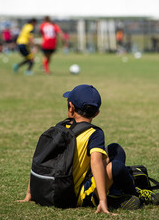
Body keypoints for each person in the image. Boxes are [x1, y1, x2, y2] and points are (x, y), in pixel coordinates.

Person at [18, 84, 157, 213]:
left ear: (70, 107)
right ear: (97, 113)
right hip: (76, 196)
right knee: (116, 165)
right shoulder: (94, 133)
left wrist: (30, 193)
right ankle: (128, 193)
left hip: (50, 189)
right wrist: (102, 201)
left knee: (113, 150)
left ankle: (115, 192)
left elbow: (40, 159)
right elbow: (96, 162)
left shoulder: (60, 127)